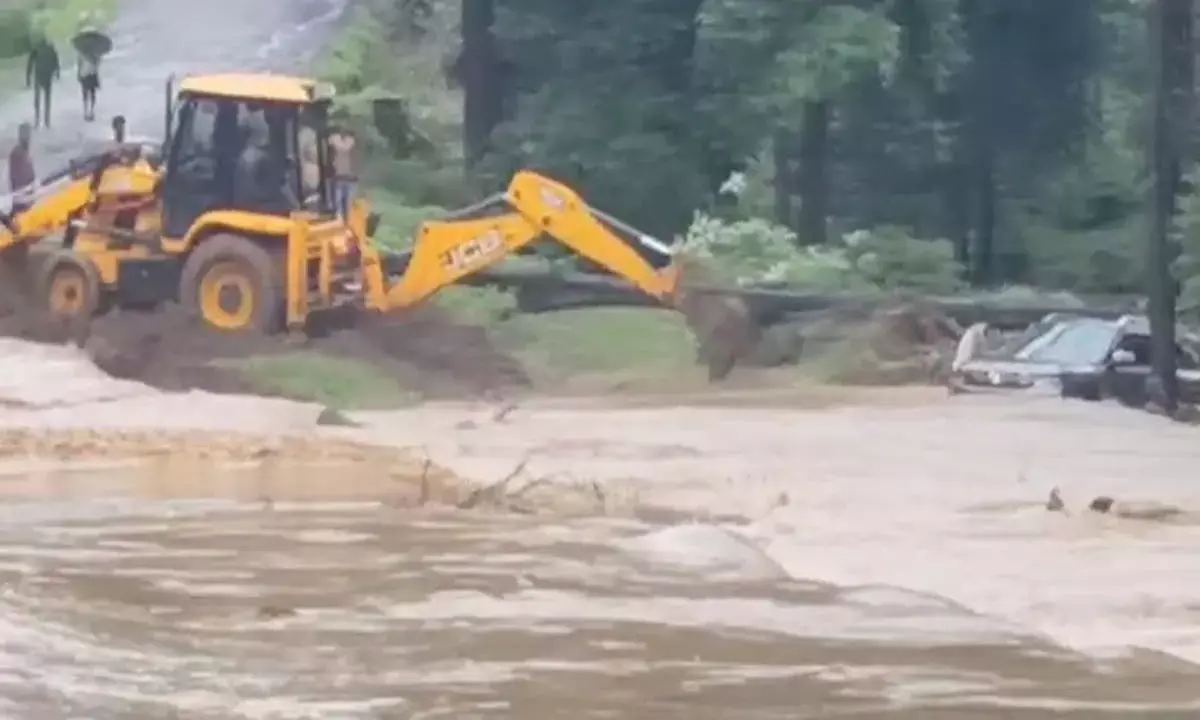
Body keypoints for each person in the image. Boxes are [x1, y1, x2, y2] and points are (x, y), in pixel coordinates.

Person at [26, 35, 61, 129]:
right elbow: (56, 61)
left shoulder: (36, 49)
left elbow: (30, 63)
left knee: (37, 99)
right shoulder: (50, 49)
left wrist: (28, 78)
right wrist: (57, 73)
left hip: (38, 75)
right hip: (47, 76)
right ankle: (47, 121)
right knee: (47, 99)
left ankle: (37, 120)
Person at [327, 125, 359, 219]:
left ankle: (342, 218)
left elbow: (341, 149)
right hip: (344, 176)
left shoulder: (336, 141)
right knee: (345, 202)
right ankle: (345, 219)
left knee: (340, 201)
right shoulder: (351, 142)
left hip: (344, 176)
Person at [8, 123, 36, 211]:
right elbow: (18, 178)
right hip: (22, 197)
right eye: (26, 136)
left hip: (26, 196)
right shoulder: (17, 153)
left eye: (28, 135)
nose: (28, 138)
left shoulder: (24, 151)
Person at [78, 49, 101, 121]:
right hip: (89, 75)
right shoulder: (93, 54)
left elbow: (79, 66)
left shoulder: (83, 54)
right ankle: (89, 111)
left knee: (88, 95)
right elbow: (79, 65)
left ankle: (89, 111)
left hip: (87, 75)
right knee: (90, 95)